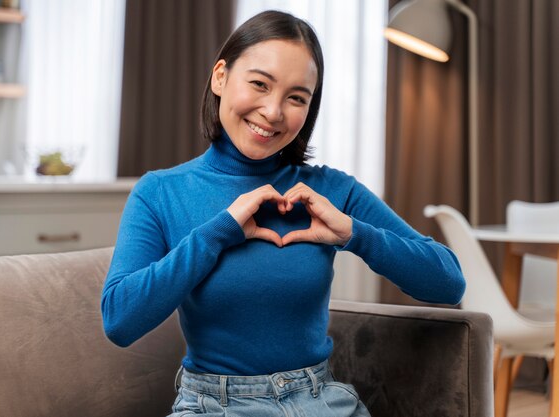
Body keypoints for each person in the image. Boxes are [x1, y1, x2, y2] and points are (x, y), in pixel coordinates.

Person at [101, 10, 465, 417]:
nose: (274, 112)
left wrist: (353, 234)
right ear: (220, 77)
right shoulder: (161, 192)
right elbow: (120, 320)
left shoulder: (331, 191)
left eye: (296, 97)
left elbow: (449, 282)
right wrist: (218, 231)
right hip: (213, 406)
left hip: (320, 401)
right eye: (259, 84)